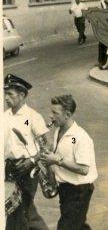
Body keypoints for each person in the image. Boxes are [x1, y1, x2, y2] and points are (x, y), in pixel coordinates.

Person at [40, 94, 97, 230]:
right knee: (78, 225)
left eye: (55, 113)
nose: (50, 116)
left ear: (67, 115)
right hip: (66, 189)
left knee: (66, 226)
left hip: (79, 191)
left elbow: (84, 169)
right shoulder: (58, 131)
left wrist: (57, 160)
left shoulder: (80, 137)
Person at [4, 74, 51, 230]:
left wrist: (32, 160)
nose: (6, 98)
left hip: (27, 169)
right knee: (21, 211)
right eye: (5, 94)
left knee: (20, 210)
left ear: (22, 95)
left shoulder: (32, 116)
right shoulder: (4, 116)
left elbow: (48, 145)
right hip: (8, 169)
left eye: (10, 94)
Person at [98, 0, 108, 66]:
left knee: (104, 46)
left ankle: (103, 62)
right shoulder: (104, 12)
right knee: (102, 45)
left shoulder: (106, 12)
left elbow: (104, 6)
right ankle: (102, 61)